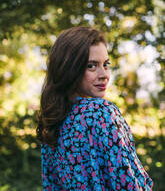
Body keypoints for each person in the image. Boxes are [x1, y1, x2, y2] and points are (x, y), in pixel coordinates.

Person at [37, 26, 153, 191]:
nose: (104, 74)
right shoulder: (100, 112)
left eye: (106, 64)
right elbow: (129, 185)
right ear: (69, 68)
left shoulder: (52, 121)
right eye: (91, 66)